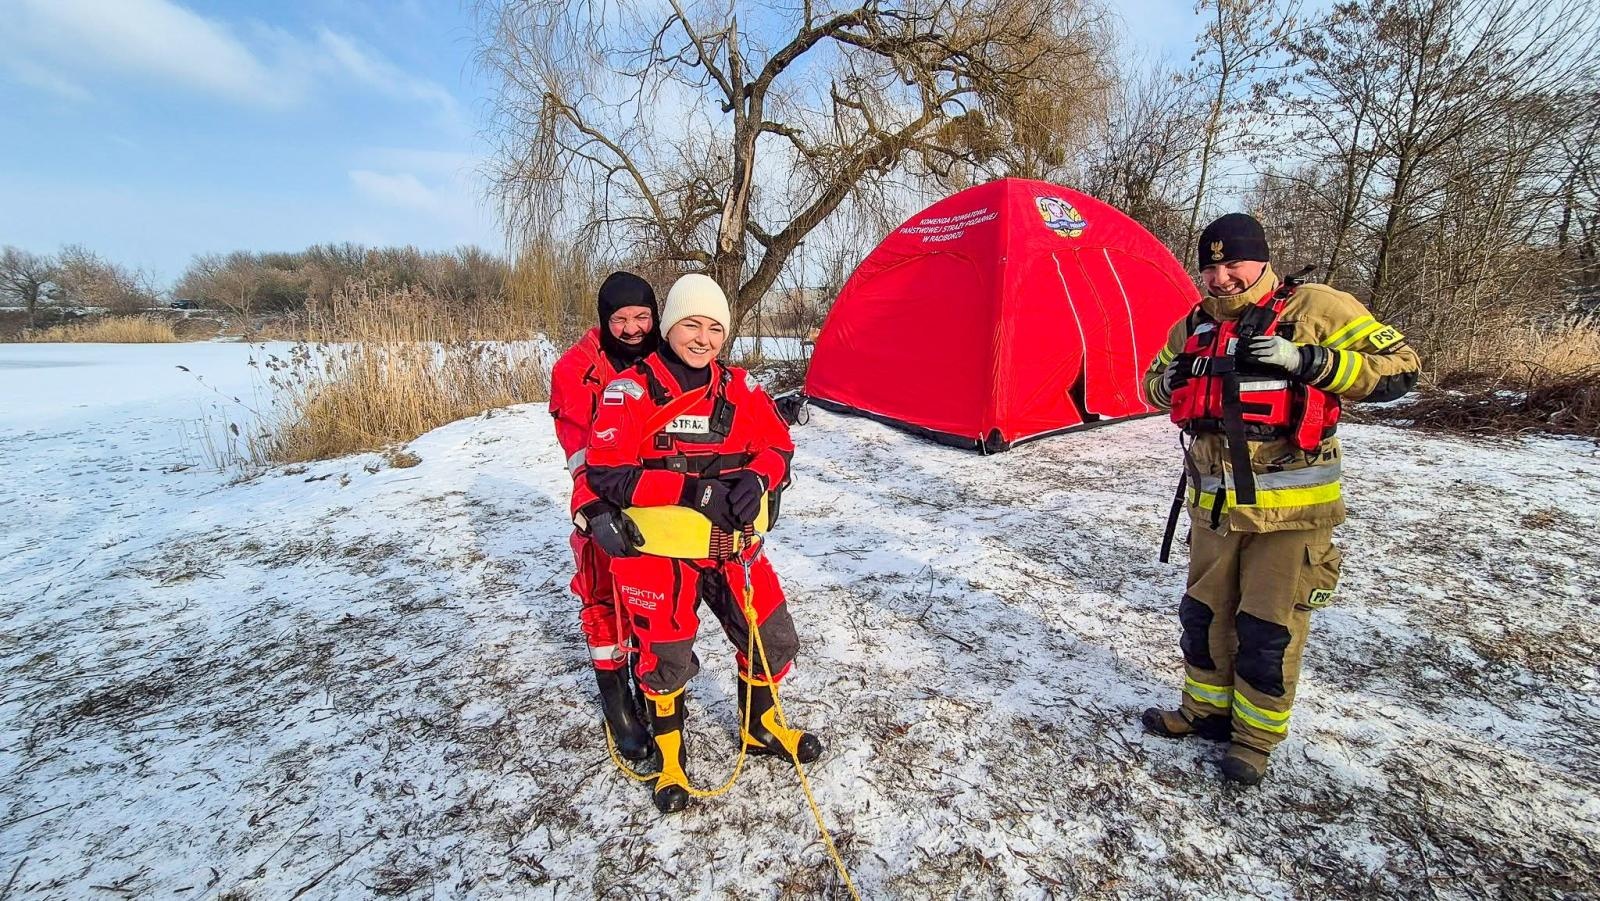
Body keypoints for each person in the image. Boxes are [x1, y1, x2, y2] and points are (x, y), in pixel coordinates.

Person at [1139, 213, 1421, 785]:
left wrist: (1308, 362)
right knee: (1204, 617)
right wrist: (1168, 385)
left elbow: (1402, 369)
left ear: (1262, 259)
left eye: (1232, 264)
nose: (1220, 278)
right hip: (1214, 509)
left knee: (1268, 629)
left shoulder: (1318, 308)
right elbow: (1150, 384)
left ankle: (1254, 740)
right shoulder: (1192, 324)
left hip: (1291, 511)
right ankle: (1204, 712)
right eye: (1209, 268)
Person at [577, 273, 823, 813]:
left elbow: (779, 445)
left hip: (733, 547)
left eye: (715, 327)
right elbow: (608, 473)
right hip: (659, 555)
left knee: (773, 638)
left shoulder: (740, 387)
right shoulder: (630, 391)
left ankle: (760, 727)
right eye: (691, 324)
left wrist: (758, 475)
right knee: (665, 660)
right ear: (669, 327)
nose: (703, 338)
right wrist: (692, 491)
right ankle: (670, 759)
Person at [549, 271, 661, 763]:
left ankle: (649, 681)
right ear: (603, 318)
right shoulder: (575, 369)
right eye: (621, 319)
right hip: (600, 496)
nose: (633, 329)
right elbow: (578, 447)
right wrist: (592, 505)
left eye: (642, 317)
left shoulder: (665, 355)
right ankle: (617, 704)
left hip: (655, 499)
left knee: (653, 597)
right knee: (601, 597)